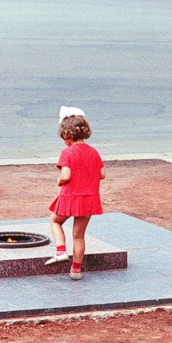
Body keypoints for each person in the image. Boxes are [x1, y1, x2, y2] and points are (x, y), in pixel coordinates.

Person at [44, 107, 106, 281]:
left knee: (55, 221)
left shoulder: (68, 152)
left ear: (66, 134)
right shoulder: (93, 152)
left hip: (71, 196)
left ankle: (60, 251)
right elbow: (102, 174)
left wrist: (59, 180)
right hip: (89, 198)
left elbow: (66, 175)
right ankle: (76, 271)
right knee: (79, 235)